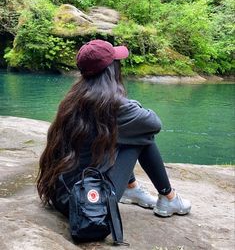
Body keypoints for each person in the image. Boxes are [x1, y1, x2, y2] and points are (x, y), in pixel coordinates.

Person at [37, 39, 191, 221]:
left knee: (121, 133)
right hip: (87, 204)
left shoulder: (73, 99)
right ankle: (168, 197)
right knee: (143, 134)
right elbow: (154, 123)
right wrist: (130, 104)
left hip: (60, 194)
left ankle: (131, 189)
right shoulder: (113, 105)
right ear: (110, 70)